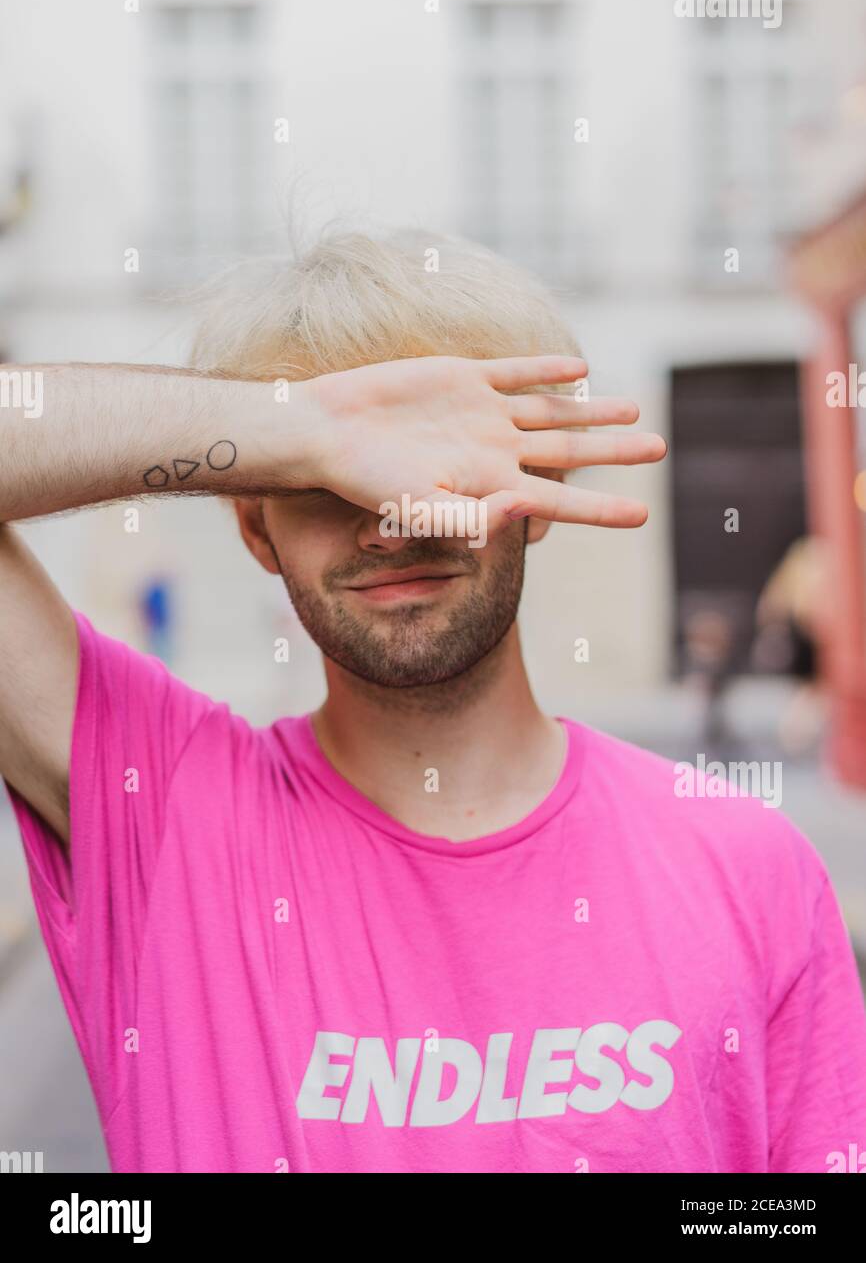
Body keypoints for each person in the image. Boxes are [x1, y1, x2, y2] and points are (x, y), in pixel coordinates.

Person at [1, 231, 864, 1174]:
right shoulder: (160, 809)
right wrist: (302, 427)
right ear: (257, 527)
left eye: (444, 462)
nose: (393, 515)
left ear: (535, 485)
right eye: (324, 483)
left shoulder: (750, 868)